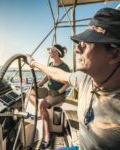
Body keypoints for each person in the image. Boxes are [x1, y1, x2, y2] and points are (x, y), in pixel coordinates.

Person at [25, 8, 120, 150]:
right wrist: (33, 63)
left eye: (85, 45)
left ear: (114, 55)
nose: (77, 50)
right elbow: (56, 74)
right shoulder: (85, 78)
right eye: (78, 44)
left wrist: (59, 92)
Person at [26, 44, 70, 149]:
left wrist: (59, 91)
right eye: (49, 50)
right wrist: (38, 85)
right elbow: (46, 78)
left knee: (43, 104)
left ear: (57, 52)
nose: (49, 51)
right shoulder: (50, 64)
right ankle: (39, 113)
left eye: (51, 50)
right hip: (49, 90)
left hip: (59, 94)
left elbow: (68, 83)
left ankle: (47, 136)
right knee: (28, 92)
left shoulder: (64, 67)